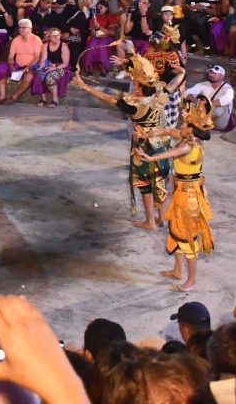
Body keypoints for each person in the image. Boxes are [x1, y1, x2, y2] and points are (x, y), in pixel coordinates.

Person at [73, 54, 172, 230]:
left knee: (145, 182)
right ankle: (160, 217)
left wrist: (84, 86)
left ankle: (150, 221)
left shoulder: (133, 103)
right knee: (159, 179)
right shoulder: (160, 95)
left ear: (139, 86)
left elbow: (106, 98)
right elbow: (174, 83)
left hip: (143, 147)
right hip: (161, 143)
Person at [137, 98, 216, 292]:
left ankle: (192, 279)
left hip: (189, 198)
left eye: (184, 124)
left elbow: (175, 152)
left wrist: (152, 157)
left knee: (187, 237)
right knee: (176, 230)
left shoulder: (190, 147)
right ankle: (178, 270)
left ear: (191, 129)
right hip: (182, 192)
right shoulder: (186, 139)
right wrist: (149, 134)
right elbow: (166, 131)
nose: (180, 125)